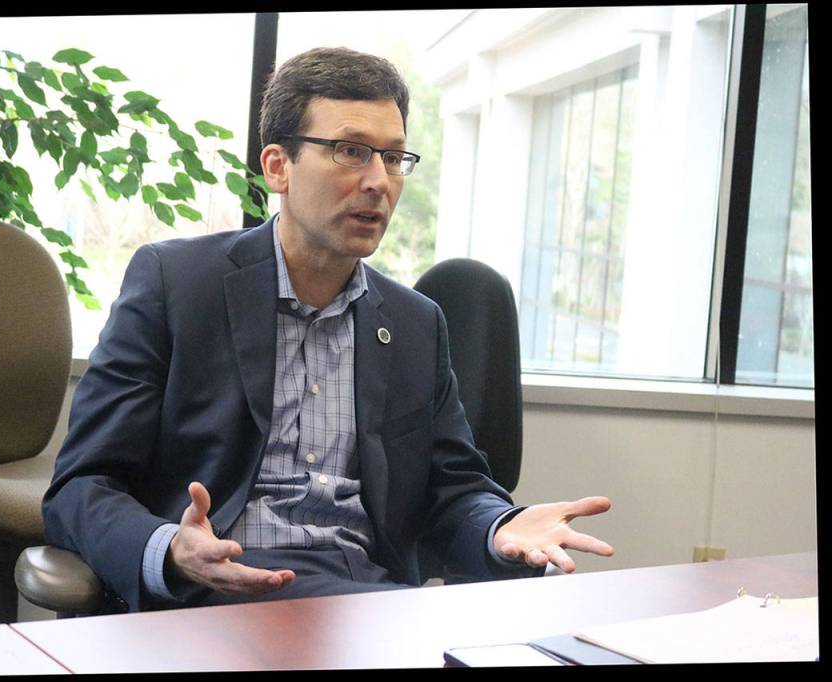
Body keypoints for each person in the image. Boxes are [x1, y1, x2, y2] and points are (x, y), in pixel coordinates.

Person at [43, 46, 614, 612]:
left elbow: (454, 490)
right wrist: (170, 548)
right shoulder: (176, 283)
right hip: (213, 597)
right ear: (278, 166)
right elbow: (81, 487)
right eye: (350, 151)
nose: (378, 182)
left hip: (369, 604)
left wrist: (501, 526)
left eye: (393, 159)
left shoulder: (415, 323)